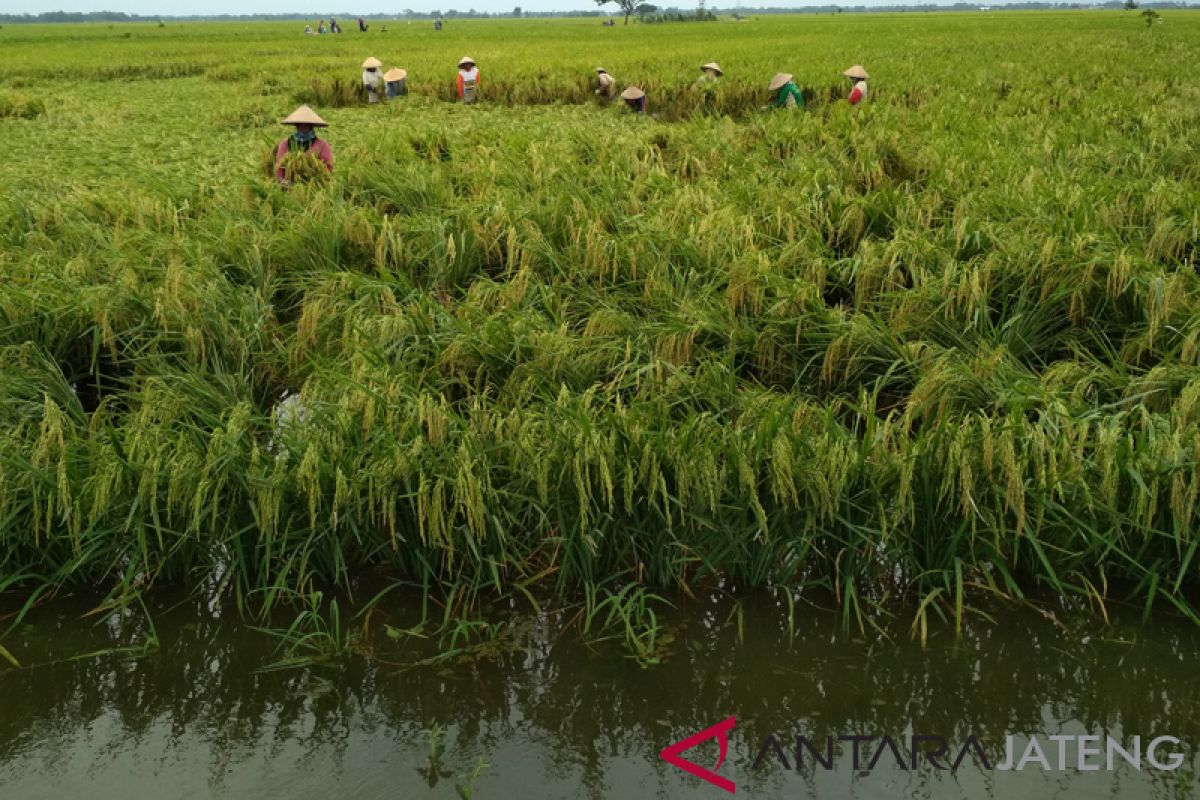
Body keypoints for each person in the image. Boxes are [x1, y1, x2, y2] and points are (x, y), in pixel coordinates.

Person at [274, 105, 333, 187]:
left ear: (311, 126)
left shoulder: (322, 144)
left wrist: (316, 175)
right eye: (301, 124)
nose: (304, 127)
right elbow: (279, 166)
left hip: (314, 187)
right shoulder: (286, 143)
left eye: (307, 125)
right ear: (297, 125)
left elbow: (328, 167)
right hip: (289, 187)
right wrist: (282, 180)